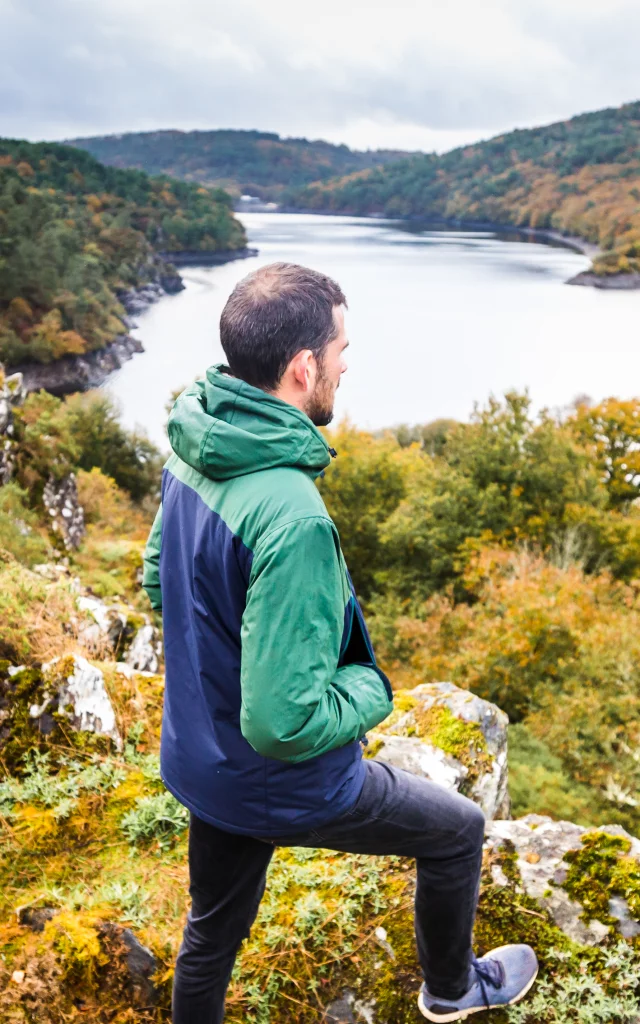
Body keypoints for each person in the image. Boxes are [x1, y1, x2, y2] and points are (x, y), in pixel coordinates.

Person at [142, 262, 538, 1023]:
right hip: (285, 783)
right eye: (342, 349)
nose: (347, 363)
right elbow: (281, 722)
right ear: (303, 367)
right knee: (458, 831)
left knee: (210, 934)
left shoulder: (197, 444)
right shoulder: (292, 515)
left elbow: (160, 580)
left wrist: (217, 678)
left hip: (205, 763)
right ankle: (452, 990)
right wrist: (369, 690)